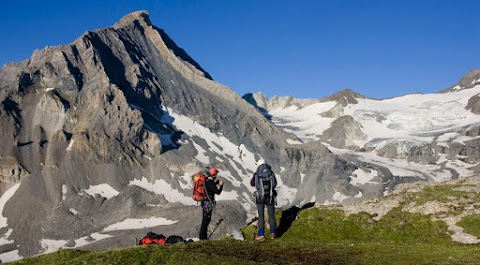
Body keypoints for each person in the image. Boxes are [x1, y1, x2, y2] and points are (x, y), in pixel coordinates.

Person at [250, 159, 277, 240]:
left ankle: (261, 234)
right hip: (270, 196)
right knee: (271, 215)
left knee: (261, 216)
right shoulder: (271, 173)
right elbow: (274, 183)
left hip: (260, 197)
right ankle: (273, 233)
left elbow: (252, 183)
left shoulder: (257, 173)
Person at [199, 167, 224, 240]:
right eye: (216, 173)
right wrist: (221, 185)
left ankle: (203, 237)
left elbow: (209, 187)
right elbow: (217, 192)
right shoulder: (210, 182)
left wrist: (215, 183)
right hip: (208, 203)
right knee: (206, 220)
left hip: (204, 202)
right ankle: (203, 238)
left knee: (205, 220)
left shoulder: (207, 180)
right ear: (214, 174)